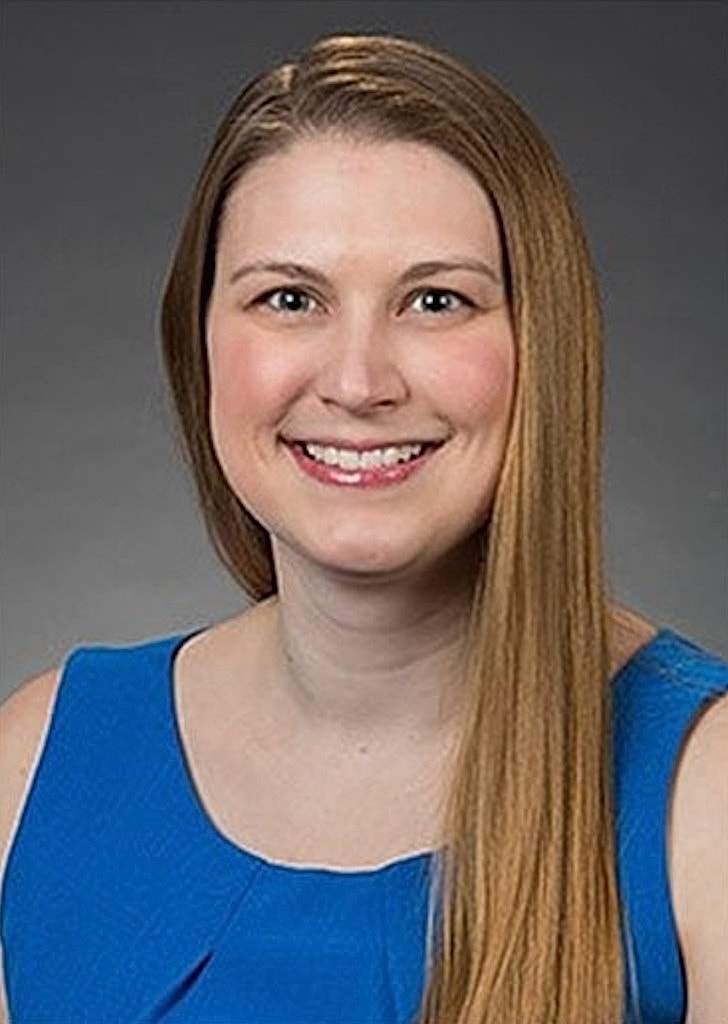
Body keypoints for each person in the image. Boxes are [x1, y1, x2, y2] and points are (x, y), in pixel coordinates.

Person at [0, 33, 725, 1024]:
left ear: (541, 346)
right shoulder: (37, 765)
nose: (356, 381)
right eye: (287, 298)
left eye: (435, 300)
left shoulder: (704, 793)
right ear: (198, 339)